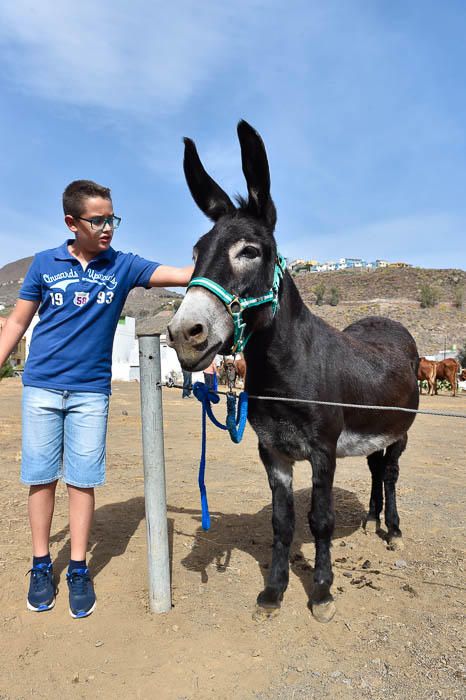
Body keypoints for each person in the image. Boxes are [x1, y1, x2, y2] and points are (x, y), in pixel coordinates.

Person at [0, 180, 193, 618]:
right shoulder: (43, 266)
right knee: (41, 477)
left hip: (90, 393)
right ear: (72, 222)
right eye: (98, 220)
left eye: (112, 219)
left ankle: (80, 569)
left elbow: (182, 275)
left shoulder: (122, 265)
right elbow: (15, 324)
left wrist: (216, 251)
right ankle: (40, 565)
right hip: (42, 388)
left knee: (82, 480)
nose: (108, 227)